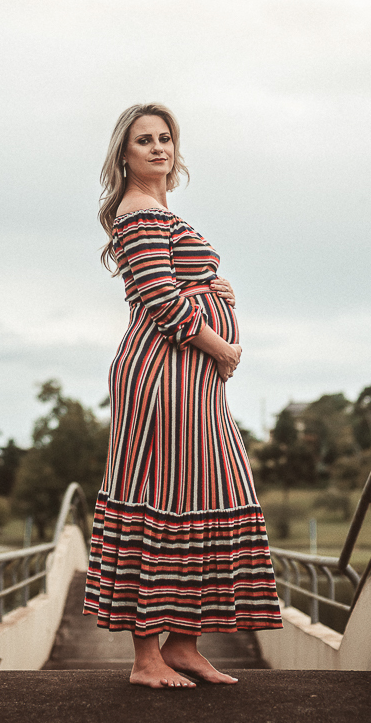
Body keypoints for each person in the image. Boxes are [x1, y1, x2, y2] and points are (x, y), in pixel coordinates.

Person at [83, 103, 282, 689]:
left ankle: (184, 643)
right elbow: (161, 303)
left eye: (165, 138)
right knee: (158, 496)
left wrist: (216, 286)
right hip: (161, 378)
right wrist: (222, 347)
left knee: (208, 492)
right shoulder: (138, 212)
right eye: (144, 140)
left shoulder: (162, 213)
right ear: (124, 155)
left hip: (189, 382)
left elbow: (177, 283)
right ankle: (146, 659)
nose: (158, 148)